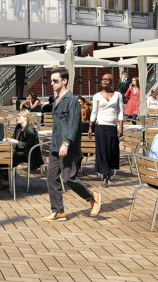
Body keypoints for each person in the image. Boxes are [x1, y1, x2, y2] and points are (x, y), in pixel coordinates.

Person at [44, 67, 99, 221]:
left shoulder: (72, 100)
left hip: (66, 146)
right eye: (51, 81)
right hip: (55, 145)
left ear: (64, 81)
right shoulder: (56, 100)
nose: (52, 84)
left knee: (68, 178)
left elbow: (74, 124)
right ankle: (58, 211)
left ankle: (92, 196)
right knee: (51, 178)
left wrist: (66, 143)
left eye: (55, 81)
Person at [89, 73, 124, 188]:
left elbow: (120, 111)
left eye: (107, 79)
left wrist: (121, 126)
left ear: (111, 82)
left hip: (112, 126)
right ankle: (105, 176)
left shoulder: (118, 95)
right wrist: (90, 126)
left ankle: (108, 171)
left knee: (112, 150)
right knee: (102, 151)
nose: (104, 81)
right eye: (103, 79)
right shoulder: (97, 96)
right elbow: (94, 112)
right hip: (100, 126)